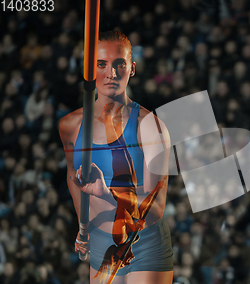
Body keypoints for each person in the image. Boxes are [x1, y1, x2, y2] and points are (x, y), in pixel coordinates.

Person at [59, 31, 173, 284]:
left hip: (144, 242)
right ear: (90, 70)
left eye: (119, 63)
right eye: (102, 64)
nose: (111, 73)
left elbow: (154, 208)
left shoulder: (150, 126)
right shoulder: (70, 125)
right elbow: (72, 176)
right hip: (102, 241)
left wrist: (105, 193)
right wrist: (84, 228)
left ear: (132, 68)